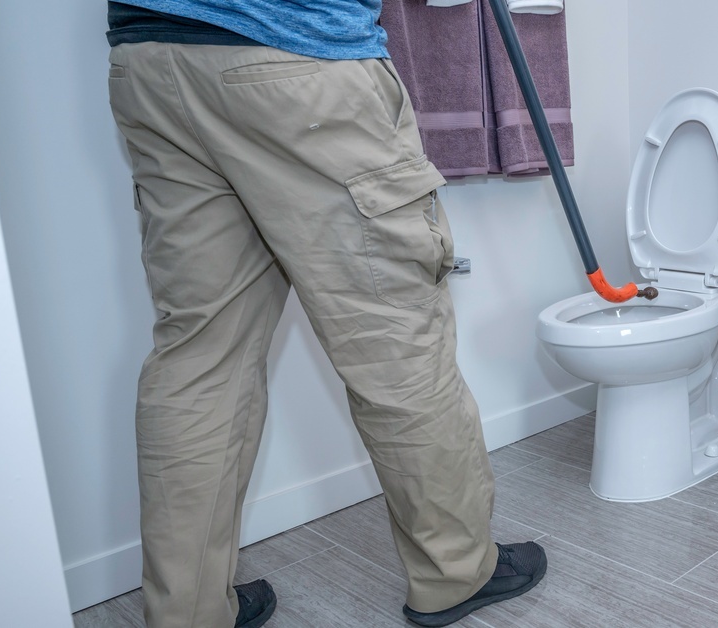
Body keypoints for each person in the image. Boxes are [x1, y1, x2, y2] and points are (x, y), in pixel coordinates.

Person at [104, 2, 547, 626]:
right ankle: (455, 573)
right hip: (297, 57)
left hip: (150, 61)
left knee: (199, 356)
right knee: (395, 343)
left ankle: (188, 612)